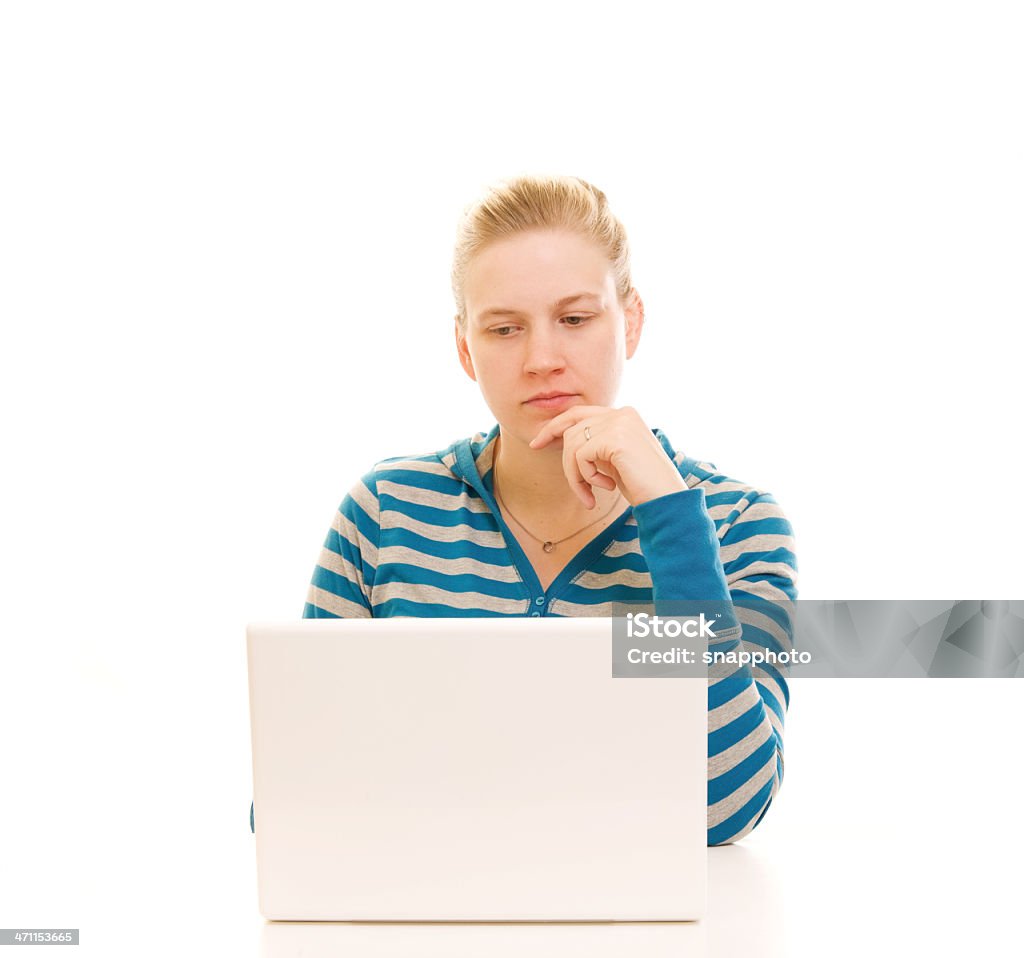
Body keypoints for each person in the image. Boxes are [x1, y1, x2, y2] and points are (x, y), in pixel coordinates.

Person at [250, 174, 797, 846]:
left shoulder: (736, 522)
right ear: (464, 349)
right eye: (505, 328)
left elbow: (725, 806)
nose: (542, 359)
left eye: (574, 319)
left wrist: (670, 513)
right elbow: (292, 799)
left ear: (630, 322)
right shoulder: (386, 514)